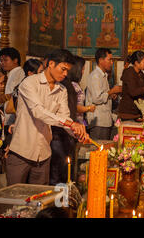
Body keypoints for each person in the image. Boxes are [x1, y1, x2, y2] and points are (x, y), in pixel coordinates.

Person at [6, 49, 88, 186]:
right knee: (15, 200)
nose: (65, 74)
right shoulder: (29, 83)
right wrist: (71, 124)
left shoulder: (61, 90)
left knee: (39, 202)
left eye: (67, 70)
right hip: (22, 152)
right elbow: (39, 112)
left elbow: (64, 118)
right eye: (63, 69)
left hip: (43, 155)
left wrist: (77, 132)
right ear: (51, 64)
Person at [86, 48, 122, 140]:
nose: (112, 62)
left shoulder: (103, 75)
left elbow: (103, 94)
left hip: (104, 120)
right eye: (109, 59)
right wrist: (112, 91)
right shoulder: (95, 76)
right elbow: (97, 98)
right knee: (97, 150)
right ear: (101, 60)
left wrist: (110, 95)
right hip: (98, 121)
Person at [118, 50, 144, 120]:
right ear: (136, 63)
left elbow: (141, 90)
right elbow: (133, 92)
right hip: (127, 112)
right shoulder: (129, 72)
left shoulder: (141, 74)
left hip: (137, 112)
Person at [0, 47, 24, 146]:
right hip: (9, 118)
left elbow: (15, 95)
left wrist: (2, 97)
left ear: (15, 60)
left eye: (5, 60)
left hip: (12, 118)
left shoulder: (18, 72)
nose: (2, 63)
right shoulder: (11, 73)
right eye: (1, 61)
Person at [68, 56, 94, 125]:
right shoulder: (72, 85)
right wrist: (88, 108)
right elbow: (74, 106)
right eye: (82, 69)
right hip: (73, 122)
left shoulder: (76, 84)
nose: (83, 72)